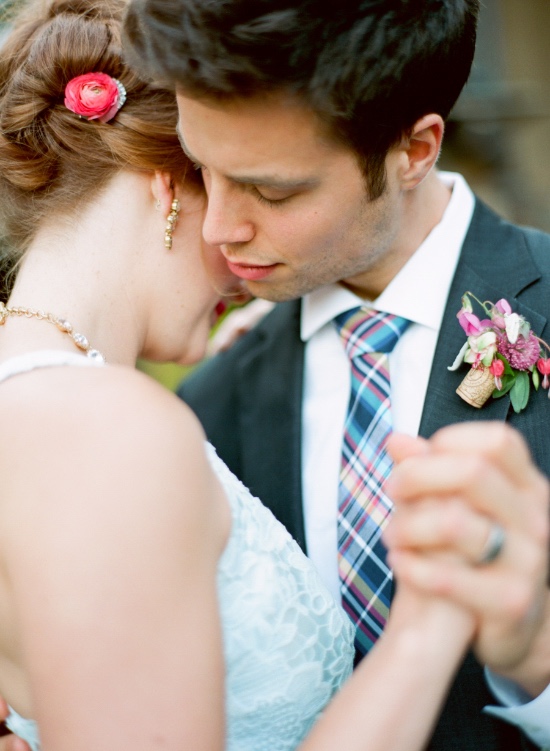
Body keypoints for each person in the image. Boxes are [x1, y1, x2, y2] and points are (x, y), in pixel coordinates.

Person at [0, 1, 495, 751]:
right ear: (168, 181)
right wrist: (431, 621)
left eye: (267, 190)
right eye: (217, 178)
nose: (231, 239)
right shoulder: (111, 426)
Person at [121, 0, 550, 749]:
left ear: (415, 150)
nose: (221, 227)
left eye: (274, 191)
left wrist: (537, 653)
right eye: (201, 170)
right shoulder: (206, 406)